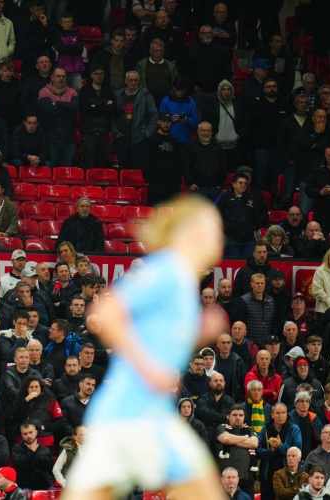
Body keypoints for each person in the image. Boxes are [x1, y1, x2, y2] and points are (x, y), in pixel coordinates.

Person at [62, 197, 226, 500]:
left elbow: (159, 338)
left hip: (141, 412)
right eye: (212, 231)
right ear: (189, 233)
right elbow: (108, 312)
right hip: (132, 414)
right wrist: (148, 368)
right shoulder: (168, 269)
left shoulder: (183, 281)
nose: (218, 241)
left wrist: (199, 333)